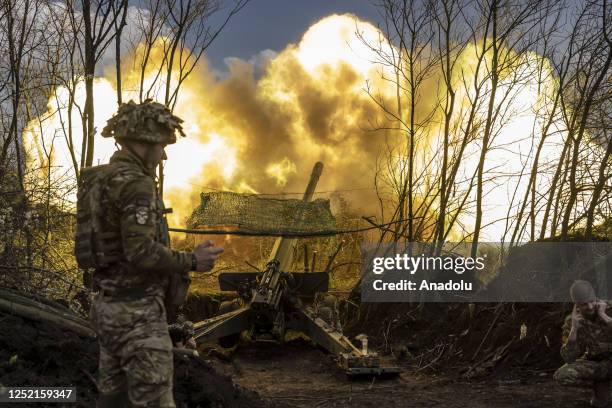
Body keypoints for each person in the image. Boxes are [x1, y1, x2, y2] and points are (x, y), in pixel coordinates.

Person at [75, 100, 223, 407]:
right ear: (144, 143)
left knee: (114, 402)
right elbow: (140, 251)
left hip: (106, 308)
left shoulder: (98, 180)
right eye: (161, 145)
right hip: (138, 316)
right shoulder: (136, 184)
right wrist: (193, 260)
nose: (164, 153)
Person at [554, 280, 612, 407]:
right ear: (576, 305)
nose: (590, 306)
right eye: (584, 304)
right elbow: (569, 358)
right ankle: (602, 384)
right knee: (562, 375)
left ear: (595, 296)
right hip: (597, 365)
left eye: (592, 301)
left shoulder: (609, 307)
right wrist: (574, 329)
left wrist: (605, 317)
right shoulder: (572, 321)